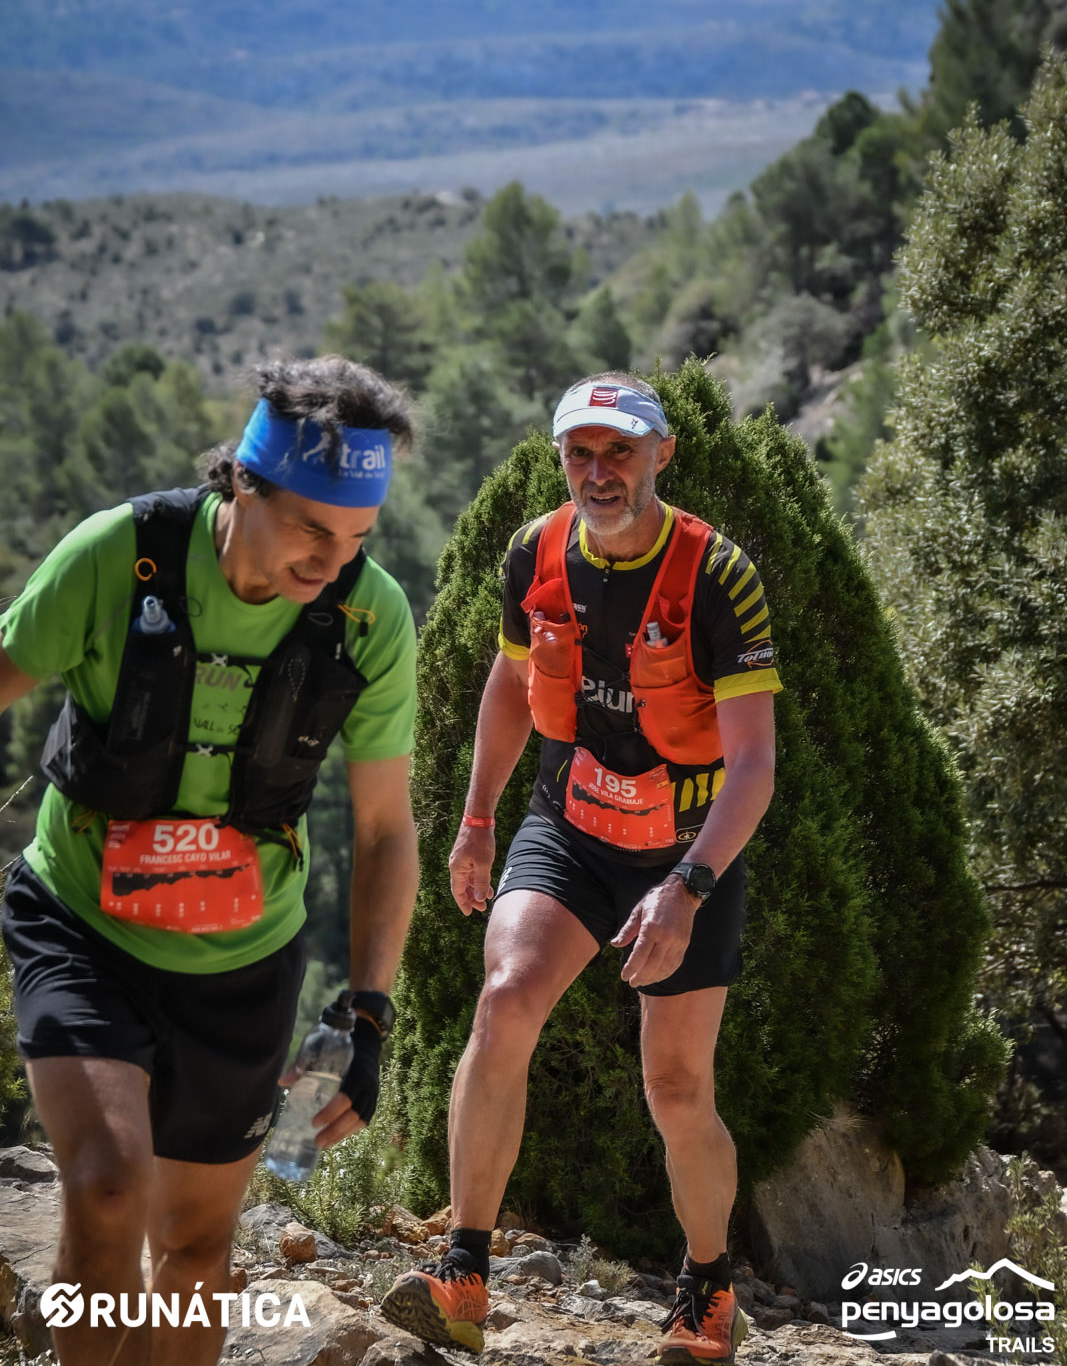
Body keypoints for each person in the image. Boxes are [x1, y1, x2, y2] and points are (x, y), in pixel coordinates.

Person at [0, 356, 419, 1366]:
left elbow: (383, 831)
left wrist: (367, 1014)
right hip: (83, 924)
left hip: (243, 964)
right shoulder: (120, 555)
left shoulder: (370, 618)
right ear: (244, 481)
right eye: (312, 528)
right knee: (107, 1187)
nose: (332, 560)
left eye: (356, 537)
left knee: (194, 1251)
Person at [382, 371, 781, 1362]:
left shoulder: (716, 573)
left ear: (660, 454)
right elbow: (511, 682)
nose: (598, 472)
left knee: (676, 1088)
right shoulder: (534, 550)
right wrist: (476, 819)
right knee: (504, 996)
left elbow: (754, 766)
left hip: (687, 847)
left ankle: (707, 1287)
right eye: (579, 453)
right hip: (571, 823)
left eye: (619, 451)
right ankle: (462, 1272)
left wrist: (686, 889)